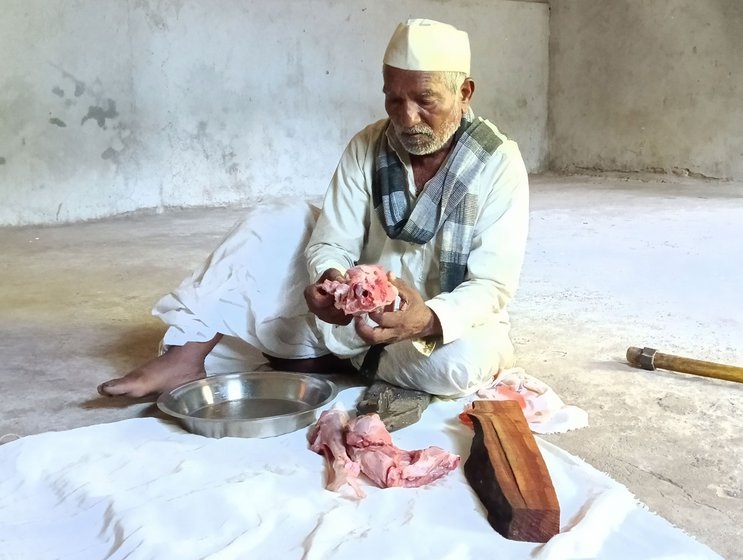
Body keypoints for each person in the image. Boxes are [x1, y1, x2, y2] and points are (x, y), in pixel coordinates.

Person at [98, 18, 529, 400]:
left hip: (438, 320)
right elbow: (332, 240)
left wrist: (427, 319)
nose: (407, 117)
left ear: (465, 93)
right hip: (353, 315)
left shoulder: (498, 163)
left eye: (425, 100)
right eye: (394, 100)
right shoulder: (368, 144)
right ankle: (183, 359)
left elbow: (490, 286)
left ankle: (342, 358)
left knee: (459, 366)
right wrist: (331, 280)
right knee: (278, 219)